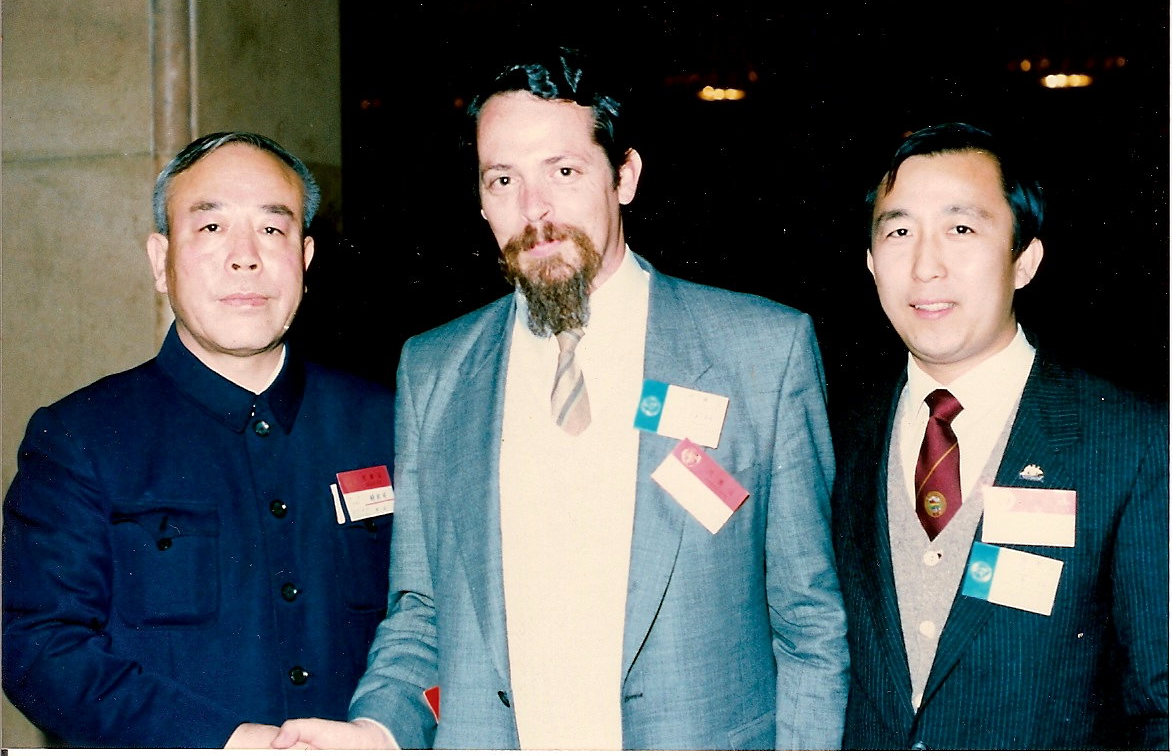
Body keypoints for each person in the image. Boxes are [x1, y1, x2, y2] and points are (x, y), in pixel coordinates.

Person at [273, 47, 848, 750]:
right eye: (504, 179)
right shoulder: (435, 370)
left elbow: (811, 626)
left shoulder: (761, 352)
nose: (534, 209)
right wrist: (379, 729)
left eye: (565, 172)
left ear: (624, 177)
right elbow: (422, 613)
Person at [2, 132, 395, 748]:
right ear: (161, 262)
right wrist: (226, 742)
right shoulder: (82, 439)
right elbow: (41, 649)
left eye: (273, 229)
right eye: (211, 229)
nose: (246, 257)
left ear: (307, 257)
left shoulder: (386, 423)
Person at [832, 122, 1168, 749]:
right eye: (899, 231)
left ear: (1024, 260)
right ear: (872, 263)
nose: (926, 266)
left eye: (961, 230)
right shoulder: (832, 433)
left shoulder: (1132, 443)